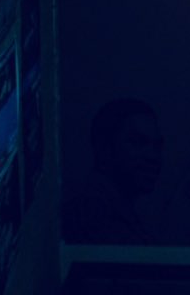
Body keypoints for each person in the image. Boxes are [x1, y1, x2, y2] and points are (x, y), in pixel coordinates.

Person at [63, 98, 164, 244]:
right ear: (104, 149)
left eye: (157, 146)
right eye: (138, 143)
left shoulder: (116, 214)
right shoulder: (92, 217)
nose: (153, 156)